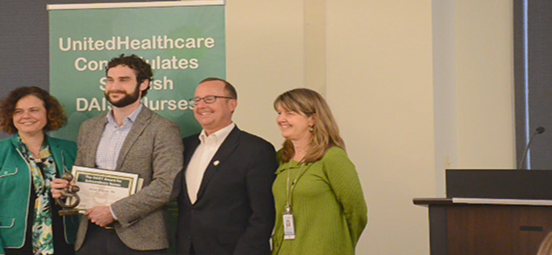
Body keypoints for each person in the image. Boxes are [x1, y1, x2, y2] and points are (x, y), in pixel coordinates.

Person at [52, 54, 183, 255]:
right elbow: (82, 179)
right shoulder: (89, 128)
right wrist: (66, 191)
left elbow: (166, 186)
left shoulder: (163, 129)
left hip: (141, 240)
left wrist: (114, 212)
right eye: (110, 80)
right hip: (91, 237)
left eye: (124, 80)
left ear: (144, 84)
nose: (114, 87)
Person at [0, 86, 78, 255]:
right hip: (12, 247)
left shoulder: (70, 150)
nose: (26, 116)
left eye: (34, 110)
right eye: (18, 111)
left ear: (48, 113)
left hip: (64, 245)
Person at [176, 78, 277, 255]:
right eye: (197, 100)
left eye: (209, 99)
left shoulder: (256, 149)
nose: (201, 105)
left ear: (232, 104)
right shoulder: (185, 146)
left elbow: (263, 215)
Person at [271, 88, 367, 255]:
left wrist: (338, 243)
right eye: (279, 113)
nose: (281, 119)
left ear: (312, 119)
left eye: (290, 113)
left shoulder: (332, 158)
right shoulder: (281, 159)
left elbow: (357, 212)